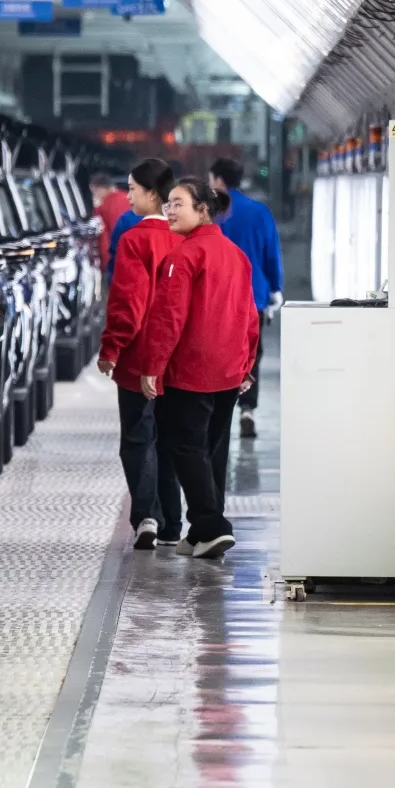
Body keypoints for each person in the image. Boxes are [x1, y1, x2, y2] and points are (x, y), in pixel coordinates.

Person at [136, 177, 260, 560]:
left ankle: (213, 525)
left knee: (185, 448)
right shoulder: (235, 255)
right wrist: (247, 364)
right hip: (228, 372)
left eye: (178, 204)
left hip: (193, 371)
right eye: (169, 204)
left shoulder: (183, 257)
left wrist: (152, 368)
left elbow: (169, 319)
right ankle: (200, 531)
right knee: (212, 451)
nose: (169, 211)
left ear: (202, 210)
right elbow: (249, 315)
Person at [97, 158, 182, 549]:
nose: (127, 195)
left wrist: (111, 348)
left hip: (137, 358)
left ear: (151, 194)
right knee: (169, 437)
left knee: (137, 437)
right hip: (176, 360)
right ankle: (171, 523)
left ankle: (146, 515)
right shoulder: (184, 239)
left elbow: (127, 305)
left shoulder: (133, 239)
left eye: (132, 188)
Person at [209, 157, 285, 439]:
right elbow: (271, 254)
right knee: (251, 355)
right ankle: (247, 409)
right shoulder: (260, 212)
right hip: (254, 297)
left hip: (216, 299)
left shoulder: (211, 211)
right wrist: (275, 288)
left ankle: (220, 408)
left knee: (218, 354)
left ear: (218, 180)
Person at [90, 171, 130, 265]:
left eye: (94, 192)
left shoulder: (104, 207)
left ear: (100, 189)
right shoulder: (128, 198)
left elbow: (104, 235)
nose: (95, 195)